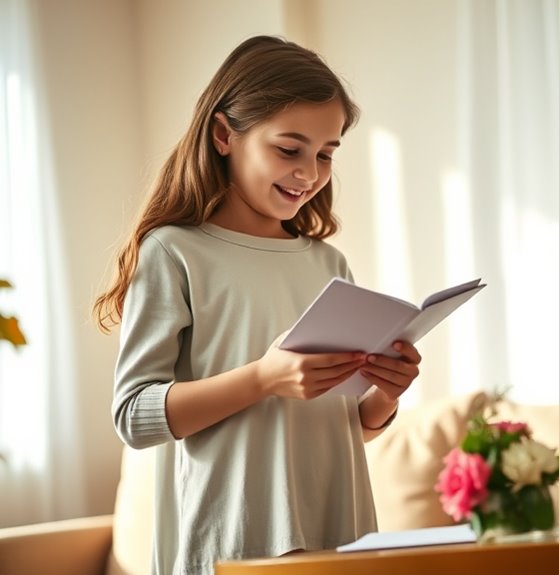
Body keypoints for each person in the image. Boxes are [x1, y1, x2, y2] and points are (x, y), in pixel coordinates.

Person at [92, 36, 420, 574]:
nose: (309, 173)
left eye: (326, 154)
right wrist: (263, 378)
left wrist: (386, 393)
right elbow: (134, 416)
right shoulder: (174, 252)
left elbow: (341, 425)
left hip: (337, 536)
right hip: (229, 540)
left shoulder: (328, 265)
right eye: (289, 149)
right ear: (224, 135)